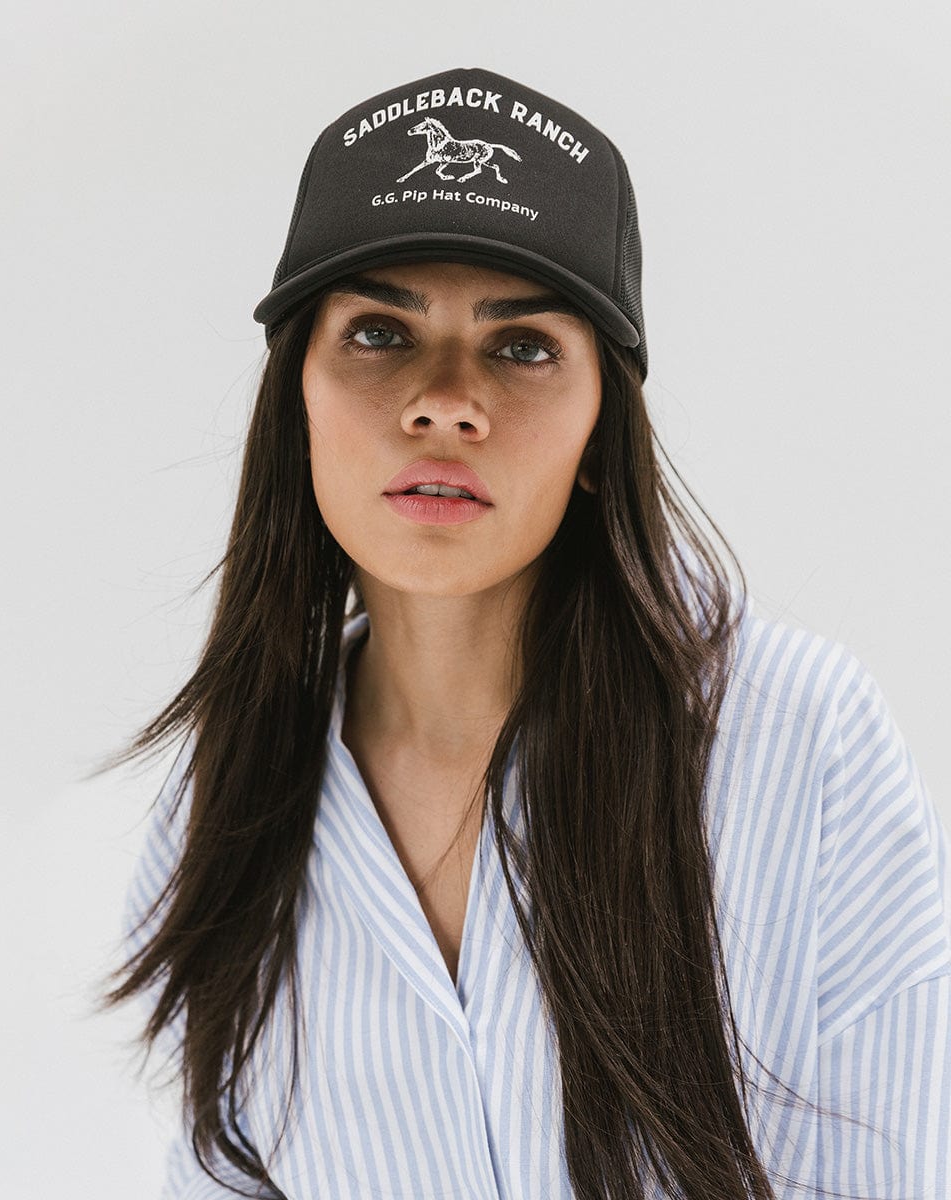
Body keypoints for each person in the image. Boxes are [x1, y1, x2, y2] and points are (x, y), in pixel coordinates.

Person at [101, 68, 951, 1199]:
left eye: (522, 347)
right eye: (377, 332)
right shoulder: (222, 802)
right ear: (294, 401)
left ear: (605, 428)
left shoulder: (796, 740)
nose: (444, 401)